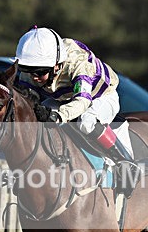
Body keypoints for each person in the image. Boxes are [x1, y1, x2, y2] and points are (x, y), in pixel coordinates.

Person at [15, 26, 139, 195]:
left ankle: (125, 161)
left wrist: (58, 116)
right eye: (28, 71)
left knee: (86, 122)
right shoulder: (31, 71)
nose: (34, 77)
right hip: (64, 98)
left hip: (99, 96)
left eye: (40, 72)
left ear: (57, 65)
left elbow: (82, 102)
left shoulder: (78, 63)